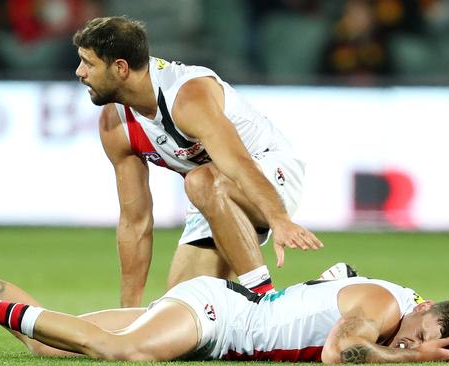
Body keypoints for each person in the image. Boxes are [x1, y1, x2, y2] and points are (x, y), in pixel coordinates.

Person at [0, 227, 449, 362]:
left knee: (47, 342)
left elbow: (327, 290)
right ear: (424, 312)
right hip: (216, 316)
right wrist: (412, 357)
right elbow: (336, 356)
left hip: (224, 311)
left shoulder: (392, 299)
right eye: (424, 337)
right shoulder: (384, 310)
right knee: (125, 354)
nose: (412, 345)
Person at [72, 16, 323, 306]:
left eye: (88, 63)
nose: (80, 72)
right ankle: (322, 287)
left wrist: (279, 219)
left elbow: (239, 165)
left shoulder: (187, 96)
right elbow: (135, 222)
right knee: (180, 313)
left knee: (200, 180)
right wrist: (130, 311)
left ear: (120, 68)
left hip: (270, 173)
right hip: (212, 197)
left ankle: (268, 302)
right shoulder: (114, 125)